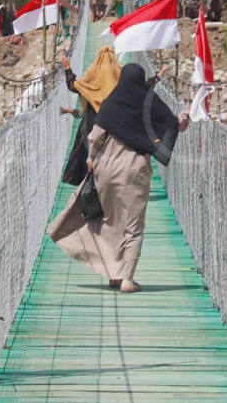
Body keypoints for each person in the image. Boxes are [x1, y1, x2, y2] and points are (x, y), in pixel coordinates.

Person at [48, 63, 189, 293]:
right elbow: (175, 125)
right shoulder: (148, 104)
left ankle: (114, 275)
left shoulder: (111, 103)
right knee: (133, 226)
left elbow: (95, 136)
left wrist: (91, 159)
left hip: (105, 170)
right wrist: (188, 112)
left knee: (112, 222)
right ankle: (127, 280)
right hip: (134, 171)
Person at [59, 47, 122, 186]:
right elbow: (138, 86)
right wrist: (157, 77)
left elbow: (73, 85)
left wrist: (68, 68)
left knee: (87, 153)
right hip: (114, 124)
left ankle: (87, 184)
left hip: (91, 123)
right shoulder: (121, 77)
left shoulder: (92, 78)